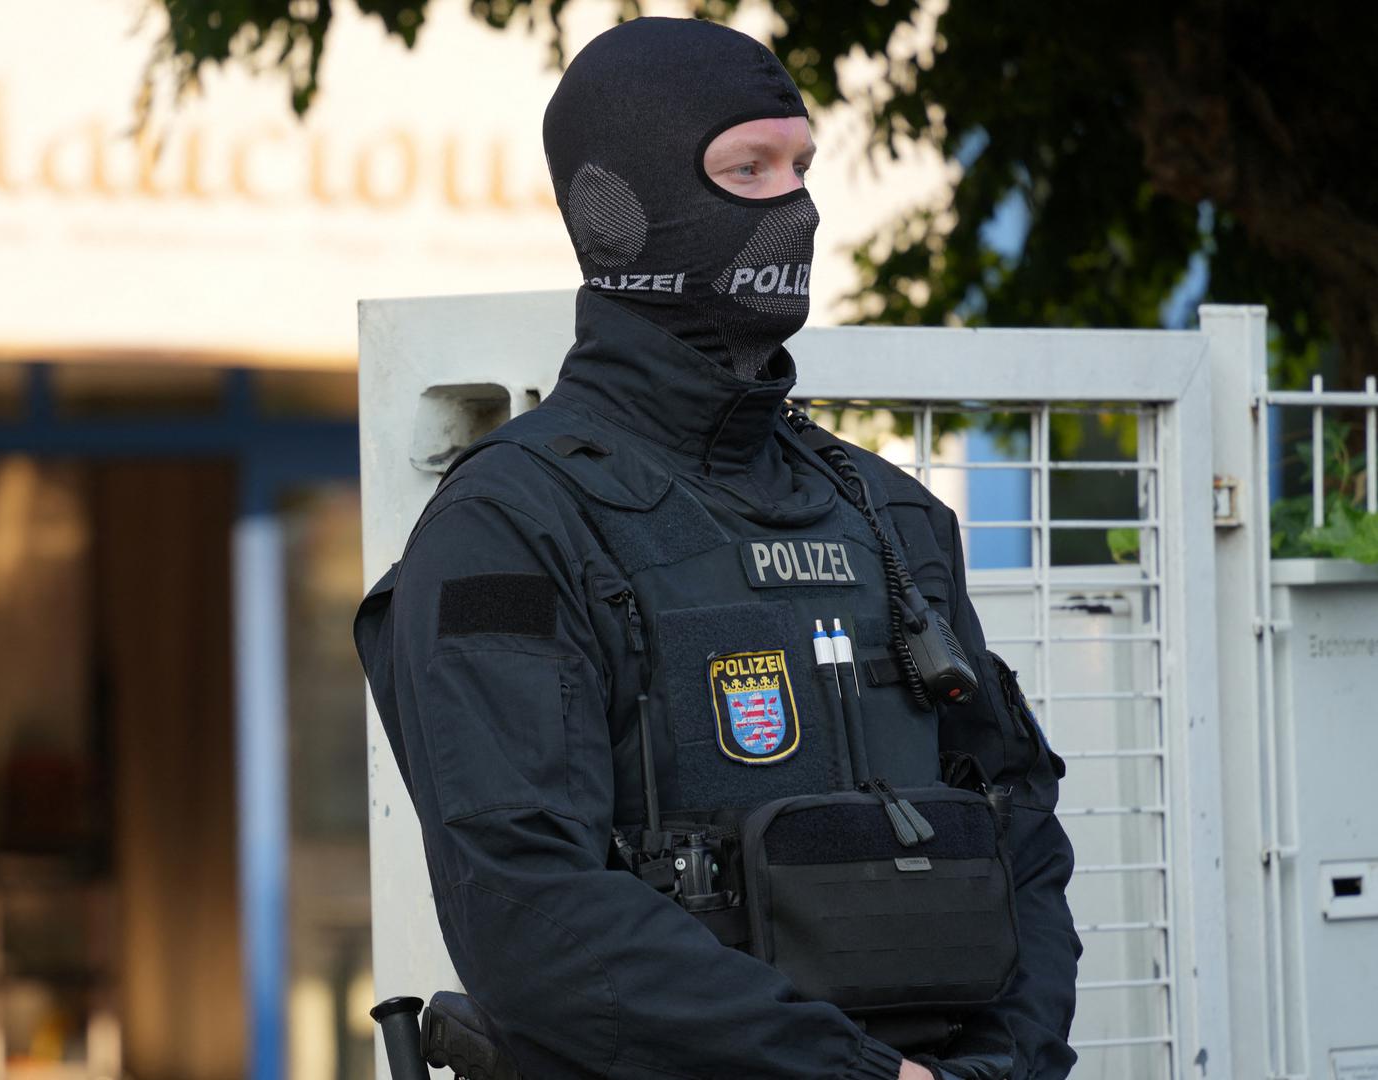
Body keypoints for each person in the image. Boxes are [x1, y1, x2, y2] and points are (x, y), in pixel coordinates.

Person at [355, 17, 1079, 1080]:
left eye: (800, 166)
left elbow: (1019, 828)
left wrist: (1000, 1069)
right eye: (747, 169)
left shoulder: (889, 515)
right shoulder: (508, 526)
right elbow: (531, 913)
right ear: (616, 211)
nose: (796, 209)